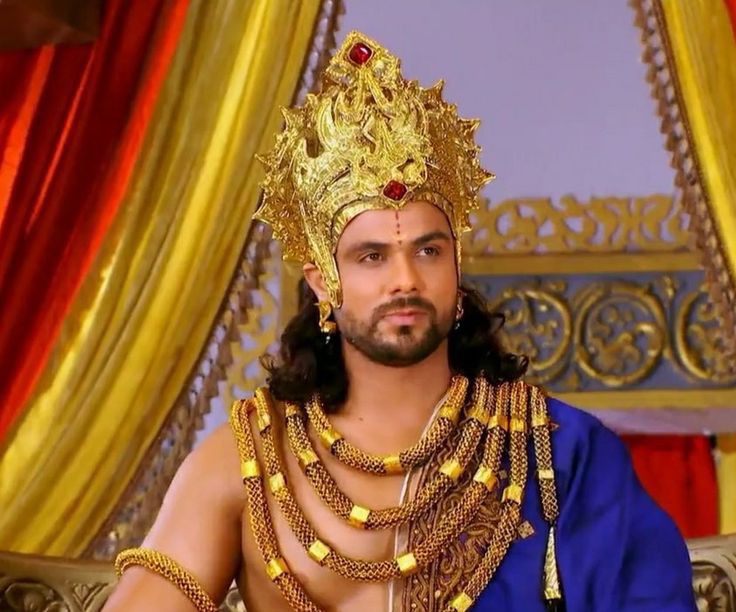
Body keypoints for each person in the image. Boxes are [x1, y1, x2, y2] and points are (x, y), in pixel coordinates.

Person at [104, 31, 696, 612]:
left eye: (428, 250)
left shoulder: (558, 453)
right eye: (372, 257)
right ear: (322, 282)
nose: (405, 279)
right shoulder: (253, 459)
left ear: (456, 265)